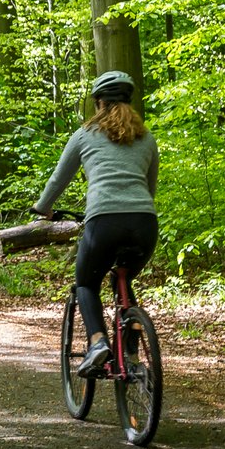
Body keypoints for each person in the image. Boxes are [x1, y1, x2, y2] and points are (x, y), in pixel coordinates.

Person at [35, 70, 159, 379]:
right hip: (144, 223)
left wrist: (42, 209)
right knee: (124, 278)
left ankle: (98, 342)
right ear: (129, 102)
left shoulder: (85, 135)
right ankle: (130, 351)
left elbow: (58, 179)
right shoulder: (146, 137)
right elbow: (150, 187)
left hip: (104, 221)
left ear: (99, 103)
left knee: (86, 284)